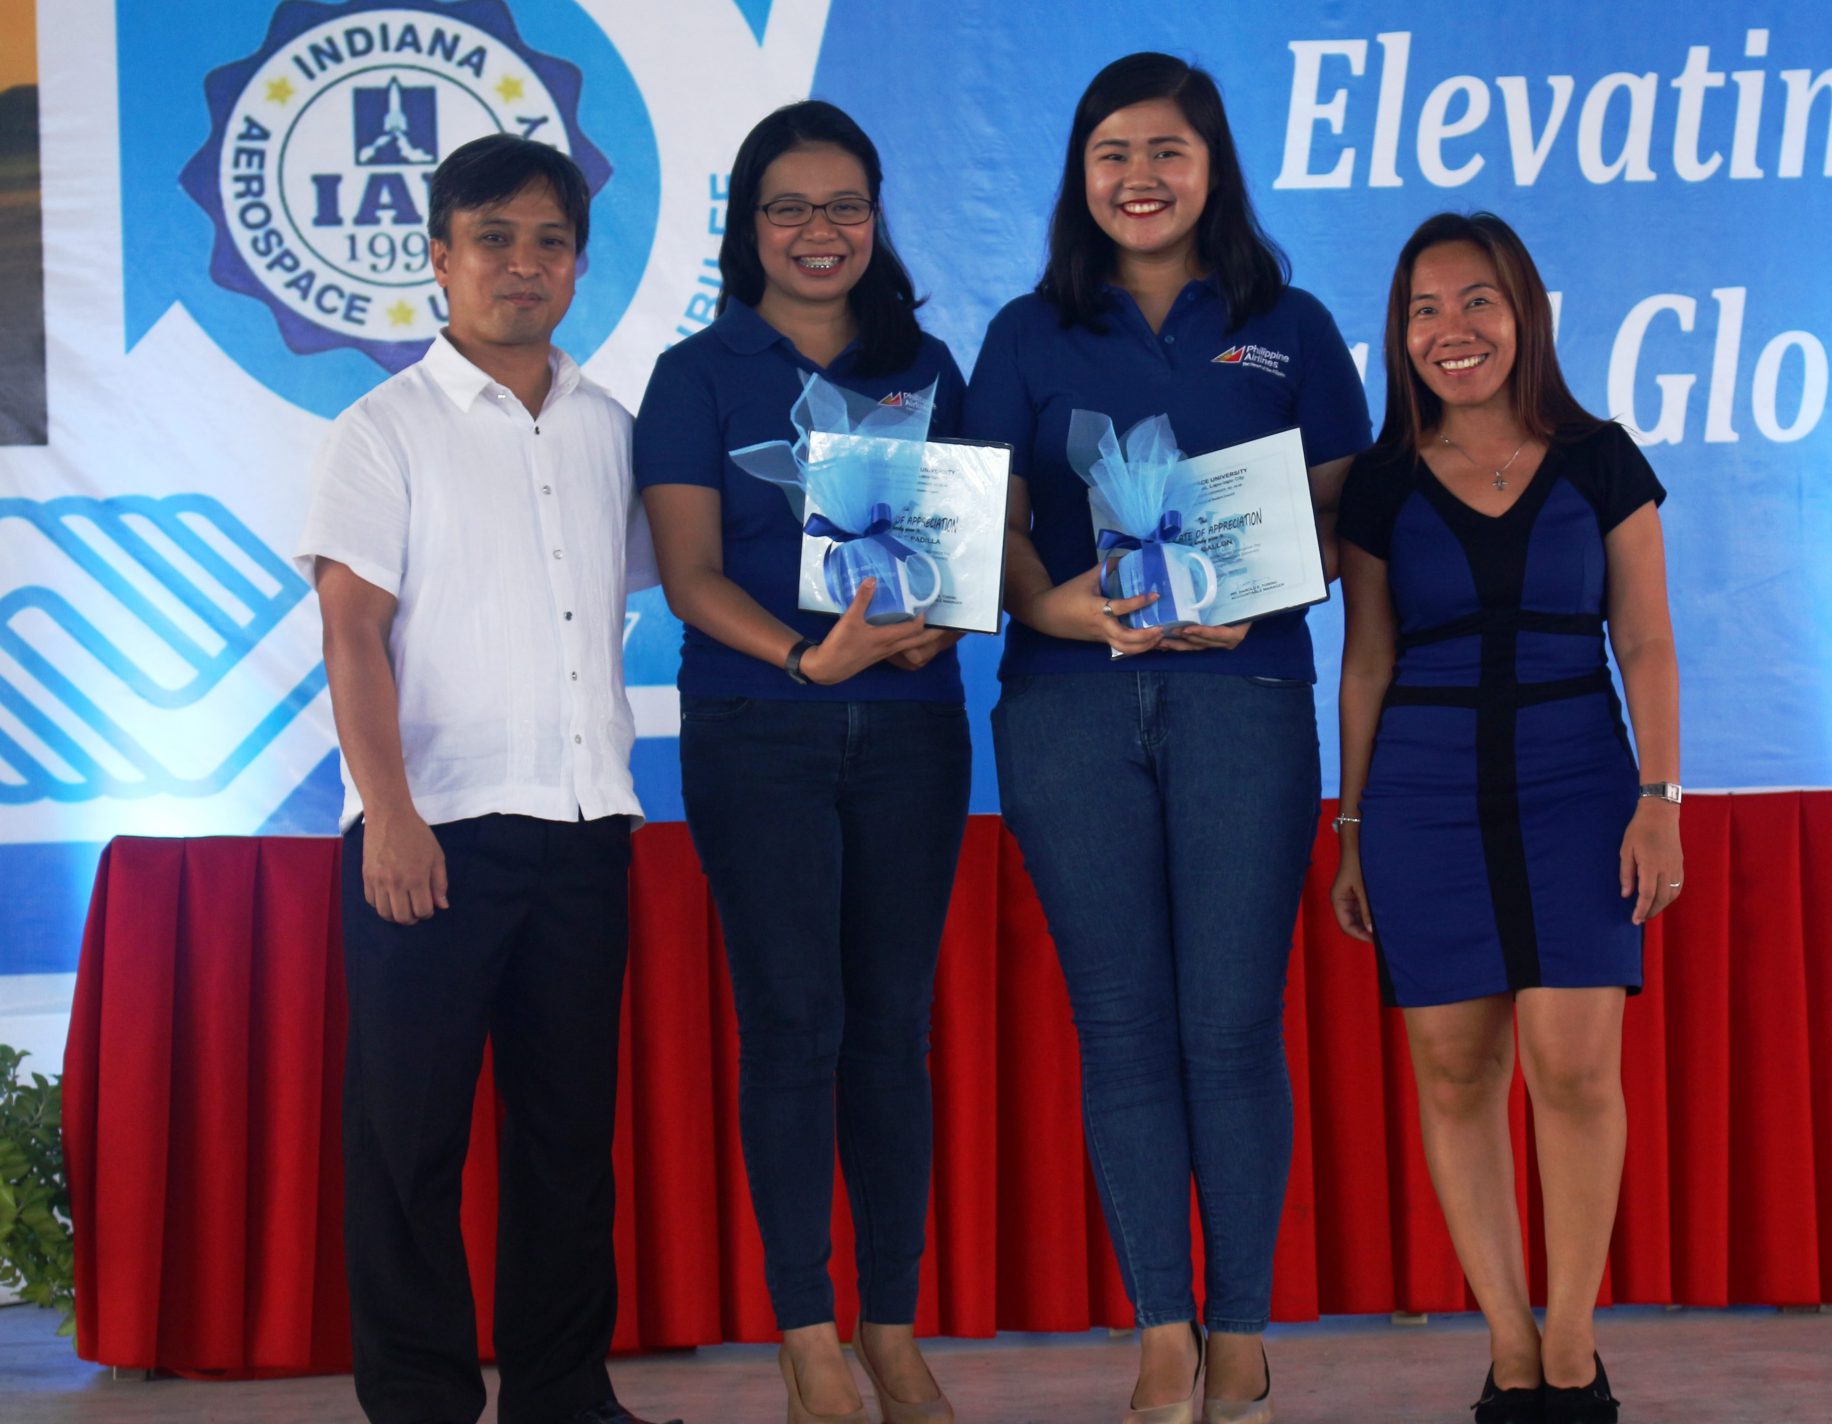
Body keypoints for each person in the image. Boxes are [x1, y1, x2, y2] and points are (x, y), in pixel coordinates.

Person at [964, 52, 1370, 1424]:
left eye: (1167, 152)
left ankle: (1239, 1325)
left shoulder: (1287, 325)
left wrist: (1264, 589)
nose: (1139, 178)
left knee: (1230, 1025)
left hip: (1242, 698)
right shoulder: (1027, 330)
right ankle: (1160, 1330)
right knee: (1123, 1025)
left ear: (1212, 170)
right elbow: (985, 521)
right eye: (1112, 154)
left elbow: (1346, 515)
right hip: (1067, 707)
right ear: (1079, 176)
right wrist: (1048, 606)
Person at [298, 135, 679, 1424]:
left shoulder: (610, 429)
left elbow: (677, 572)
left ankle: (563, 1393)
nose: (523, 264)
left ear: (578, 263)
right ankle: (419, 1400)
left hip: (584, 825)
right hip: (435, 835)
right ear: (439, 257)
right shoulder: (381, 430)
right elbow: (352, 631)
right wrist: (389, 813)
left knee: (567, 1138)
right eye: (494, 239)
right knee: (408, 1140)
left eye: (549, 241)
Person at [633, 100, 969, 1424]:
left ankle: (890, 1325)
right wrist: (802, 658)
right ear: (749, 226)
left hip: (911, 733)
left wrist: (946, 617)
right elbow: (689, 574)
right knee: (794, 1025)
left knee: (891, 1030)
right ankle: (806, 1335)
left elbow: (965, 548)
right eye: (789, 207)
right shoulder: (697, 374)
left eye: (844, 206)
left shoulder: (925, 364)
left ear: (875, 219)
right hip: (757, 727)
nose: (818, 231)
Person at [1330, 211, 1682, 1424]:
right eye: (1423, 309)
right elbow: (1364, 662)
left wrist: (1658, 798)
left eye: (1475, 299)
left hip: (1578, 783)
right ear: (1399, 334)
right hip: (1420, 796)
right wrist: (1351, 828)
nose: (1451, 329)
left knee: (1573, 1068)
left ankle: (1572, 1347)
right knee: (1452, 1070)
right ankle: (1508, 1347)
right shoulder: (1379, 481)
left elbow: (1645, 640)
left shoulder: (1600, 458)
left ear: (1522, 311)